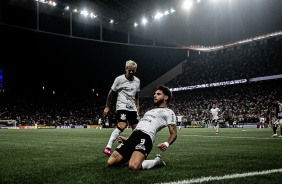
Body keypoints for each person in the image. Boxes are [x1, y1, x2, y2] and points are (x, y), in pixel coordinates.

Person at [107, 85, 177, 170]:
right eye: (155, 94)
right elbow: (141, 127)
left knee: (134, 166)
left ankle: (157, 161)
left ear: (166, 97)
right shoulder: (149, 111)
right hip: (134, 136)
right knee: (111, 162)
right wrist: (128, 138)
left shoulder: (169, 112)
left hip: (146, 137)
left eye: (158, 94)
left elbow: (174, 133)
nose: (155, 95)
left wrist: (166, 144)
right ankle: (134, 158)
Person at [103, 60, 140, 155]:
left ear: (135, 70)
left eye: (133, 70)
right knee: (122, 126)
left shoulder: (137, 81)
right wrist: (107, 106)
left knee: (136, 129)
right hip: (122, 106)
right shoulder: (119, 79)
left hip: (132, 108)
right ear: (125, 69)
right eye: (129, 70)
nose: (131, 72)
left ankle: (131, 146)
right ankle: (108, 146)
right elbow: (111, 93)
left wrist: (137, 106)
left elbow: (136, 95)